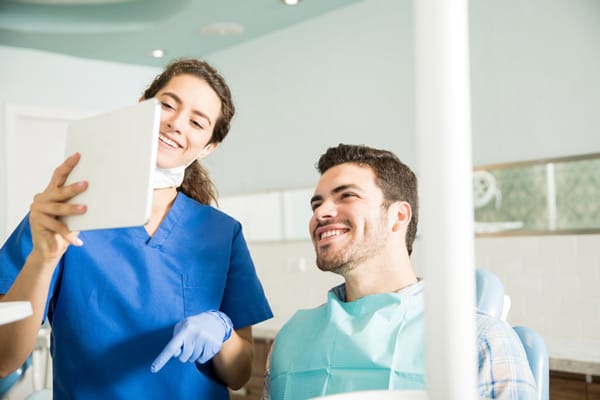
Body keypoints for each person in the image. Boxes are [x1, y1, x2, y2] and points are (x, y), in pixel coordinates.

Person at [0, 58, 273, 399]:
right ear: (142, 108)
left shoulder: (222, 233)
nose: (176, 123)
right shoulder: (64, 212)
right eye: (167, 106)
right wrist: (42, 257)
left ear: (208, 147)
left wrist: (222, 332)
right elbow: (3, 360)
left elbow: (240, 374)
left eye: (197, 122)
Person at [263, 144, 536, 399]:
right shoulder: (289, 342)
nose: (321, 213)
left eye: (347, 195)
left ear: (399, 216)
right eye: (316, 204)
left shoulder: (480, 340)